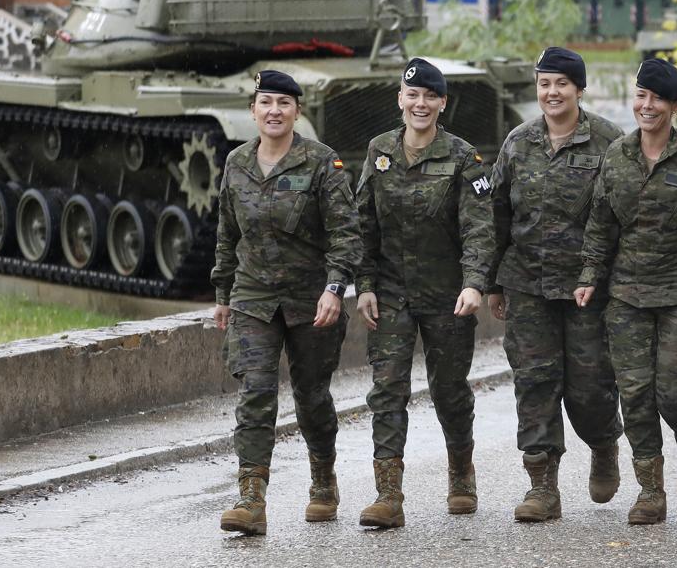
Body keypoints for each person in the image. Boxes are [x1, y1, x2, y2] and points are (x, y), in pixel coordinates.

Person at [574, 58, 677, 525]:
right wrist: (589, 275)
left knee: (673, 390)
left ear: (675, 105)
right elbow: (600, 224)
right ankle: (650, 489)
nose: (646, 106)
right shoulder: (617, 155)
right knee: (635, 392)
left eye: (657, 98)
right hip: (626, 293)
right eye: (641, 96)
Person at [212, 69, 361, 536]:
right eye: (266, 103)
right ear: (253, 110)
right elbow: (226, 233)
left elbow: (345, 235)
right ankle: (251, 498)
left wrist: (335, 288)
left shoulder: (321, 163)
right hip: (254, 297)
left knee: (311, 396)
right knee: (255, 394)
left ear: (297, 111)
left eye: (284, 103)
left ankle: (322, 479)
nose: (274, 111)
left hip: (310, 298)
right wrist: (222, 294)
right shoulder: (236, 163)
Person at [353, 57, 496, 528]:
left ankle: (461, 473)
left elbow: (479, 229)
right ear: (400, 99)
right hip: (391, 293)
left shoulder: (462, 157)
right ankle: (388, 495)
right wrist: (365, 285)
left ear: (442, 104)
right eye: (412, 95)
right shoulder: (379, 151)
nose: (420, 104)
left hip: (446, 294)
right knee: (387, 390)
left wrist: (475, 284)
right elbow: (363, 224)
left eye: (429, 97)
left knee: (449, 392)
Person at [488, 46, 625, 522]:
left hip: (589, 289)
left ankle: (604, 443)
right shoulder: (517, 142)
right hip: (526, 284)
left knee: (589, 387)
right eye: (544, 84)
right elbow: (498, 215)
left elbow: (622, 218)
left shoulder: (609, 141)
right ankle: (542, 486)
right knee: (534, 382)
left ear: (578, 89)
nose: (551, 93)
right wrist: (491, 283)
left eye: (561, 84)